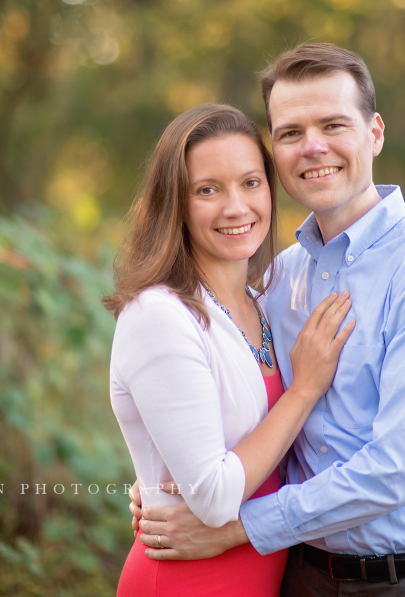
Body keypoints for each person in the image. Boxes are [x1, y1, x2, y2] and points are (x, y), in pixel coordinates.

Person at [131, 43, 405, 596]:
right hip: (301, 578)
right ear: (275, 152)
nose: (313, 147)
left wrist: (237, 528)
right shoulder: (278, 281)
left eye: (333, 124)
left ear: (374, 133)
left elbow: (400, 468)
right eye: (290, 133)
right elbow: (227, 409)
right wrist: (164, 482)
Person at [104, 104, 359, 596]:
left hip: (267, 576)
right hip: (189, 580)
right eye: (207, 190)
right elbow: (216, 499)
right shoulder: (159, 316)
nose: (236, 207)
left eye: (250, 183)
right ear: (174, 204)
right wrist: (302, 390)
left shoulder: (269, 304)